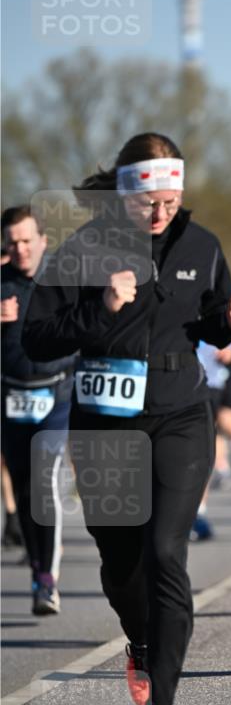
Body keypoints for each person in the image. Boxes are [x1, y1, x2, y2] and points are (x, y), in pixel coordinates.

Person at [22, 132, 231, 705]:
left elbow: (209, 320)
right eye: (149, 198)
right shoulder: (81, 252)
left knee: (165, 552)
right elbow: (37, 338)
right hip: (105, 425)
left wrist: (230, 320)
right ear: (125, 193)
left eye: (171, 196)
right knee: (122, 561)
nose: (161, 210)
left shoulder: (201, 246)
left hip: (181, 415)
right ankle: (140, 644)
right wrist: (100, 308)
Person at [1, 206, 75, 614]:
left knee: (45, 481)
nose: (21, 249)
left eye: (28, 240)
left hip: (57, 393)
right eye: (12, 243)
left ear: (43, 241)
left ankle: (47, 578)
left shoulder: (64, 280)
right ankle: (35, 567)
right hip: (10, 396)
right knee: (26, 487)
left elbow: (88, 325)